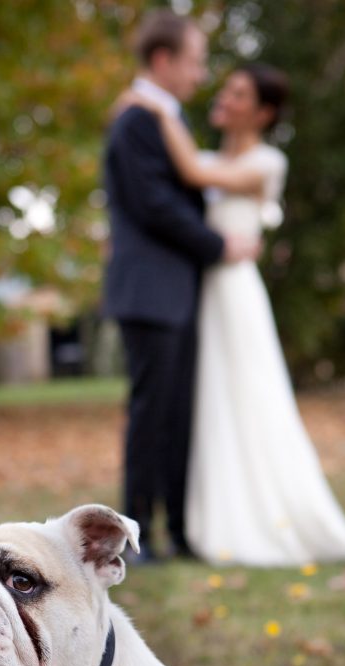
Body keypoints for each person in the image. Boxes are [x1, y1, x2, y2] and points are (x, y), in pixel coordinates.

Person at [121, 64, 345, 566]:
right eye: (227, 88)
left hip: (234, 291)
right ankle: (199, 517)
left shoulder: (266, 162)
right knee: (203, 405)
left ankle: (258, 513)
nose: (225, 97)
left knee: (244, 394)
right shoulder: (213, 155)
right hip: (199, 290)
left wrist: (159, 106)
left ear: (262, 112)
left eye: (239, 93)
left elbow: (195, 174)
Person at [103, 10, 258, 564]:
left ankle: (179, 530)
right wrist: (219, 246)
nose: (200, 74)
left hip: (175, 290)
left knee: (178, 413)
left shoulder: (162, 117)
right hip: (151, 290)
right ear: (163, 60)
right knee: (153, 415)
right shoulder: (136, 122)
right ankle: (137, 535)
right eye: (194, 61)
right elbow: (156, 207)